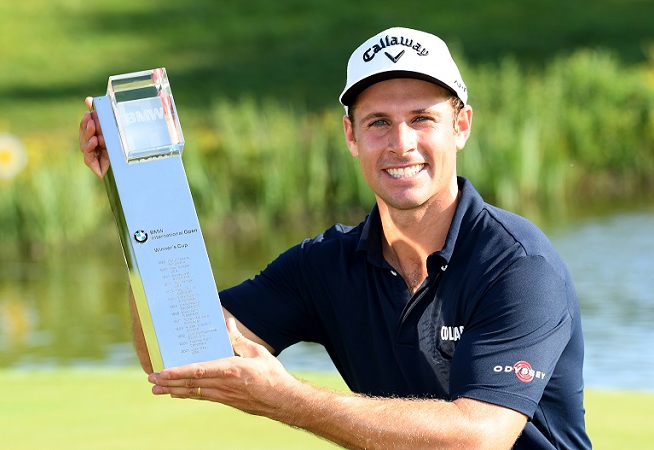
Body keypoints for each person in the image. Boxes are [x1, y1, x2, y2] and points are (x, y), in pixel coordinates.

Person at [79, 27, 591, 449]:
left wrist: (291, 400)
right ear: (350, 136)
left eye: (422, 119)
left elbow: (478, 437)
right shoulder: (324, 266)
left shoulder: (518, 266)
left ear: (460, 127)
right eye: (378, 123)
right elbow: (177, 352)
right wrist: (137, 190)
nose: (401, 143)